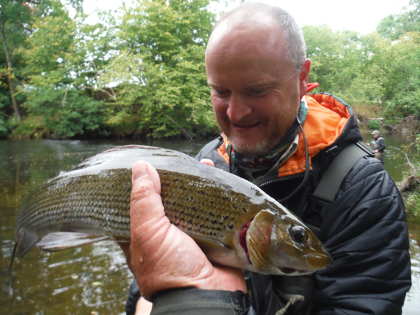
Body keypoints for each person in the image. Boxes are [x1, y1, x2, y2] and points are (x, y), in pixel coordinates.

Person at [123, 3, 411, 315]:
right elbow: (147, 290)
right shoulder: (207, 161)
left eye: (257, 91)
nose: (235, 112)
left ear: (302, 78)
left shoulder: (363, 190)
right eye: (221, 92)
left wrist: (199, 303)